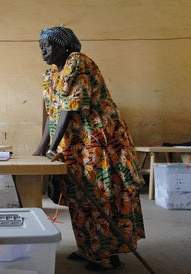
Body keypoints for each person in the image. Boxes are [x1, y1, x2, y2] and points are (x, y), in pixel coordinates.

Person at [34, 26, 146, 271]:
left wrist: (51, 147)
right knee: (79, 199)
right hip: (75, 146)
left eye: (48, 44)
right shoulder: (52, 73)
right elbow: (52, 114)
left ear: (65, 46)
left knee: (100, 195)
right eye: (40, 45)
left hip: (97, 143)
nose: (42, 49)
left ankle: (107, 256)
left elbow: (67, 109)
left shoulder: (78, 63)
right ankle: (90, 249)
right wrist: (40, 150)